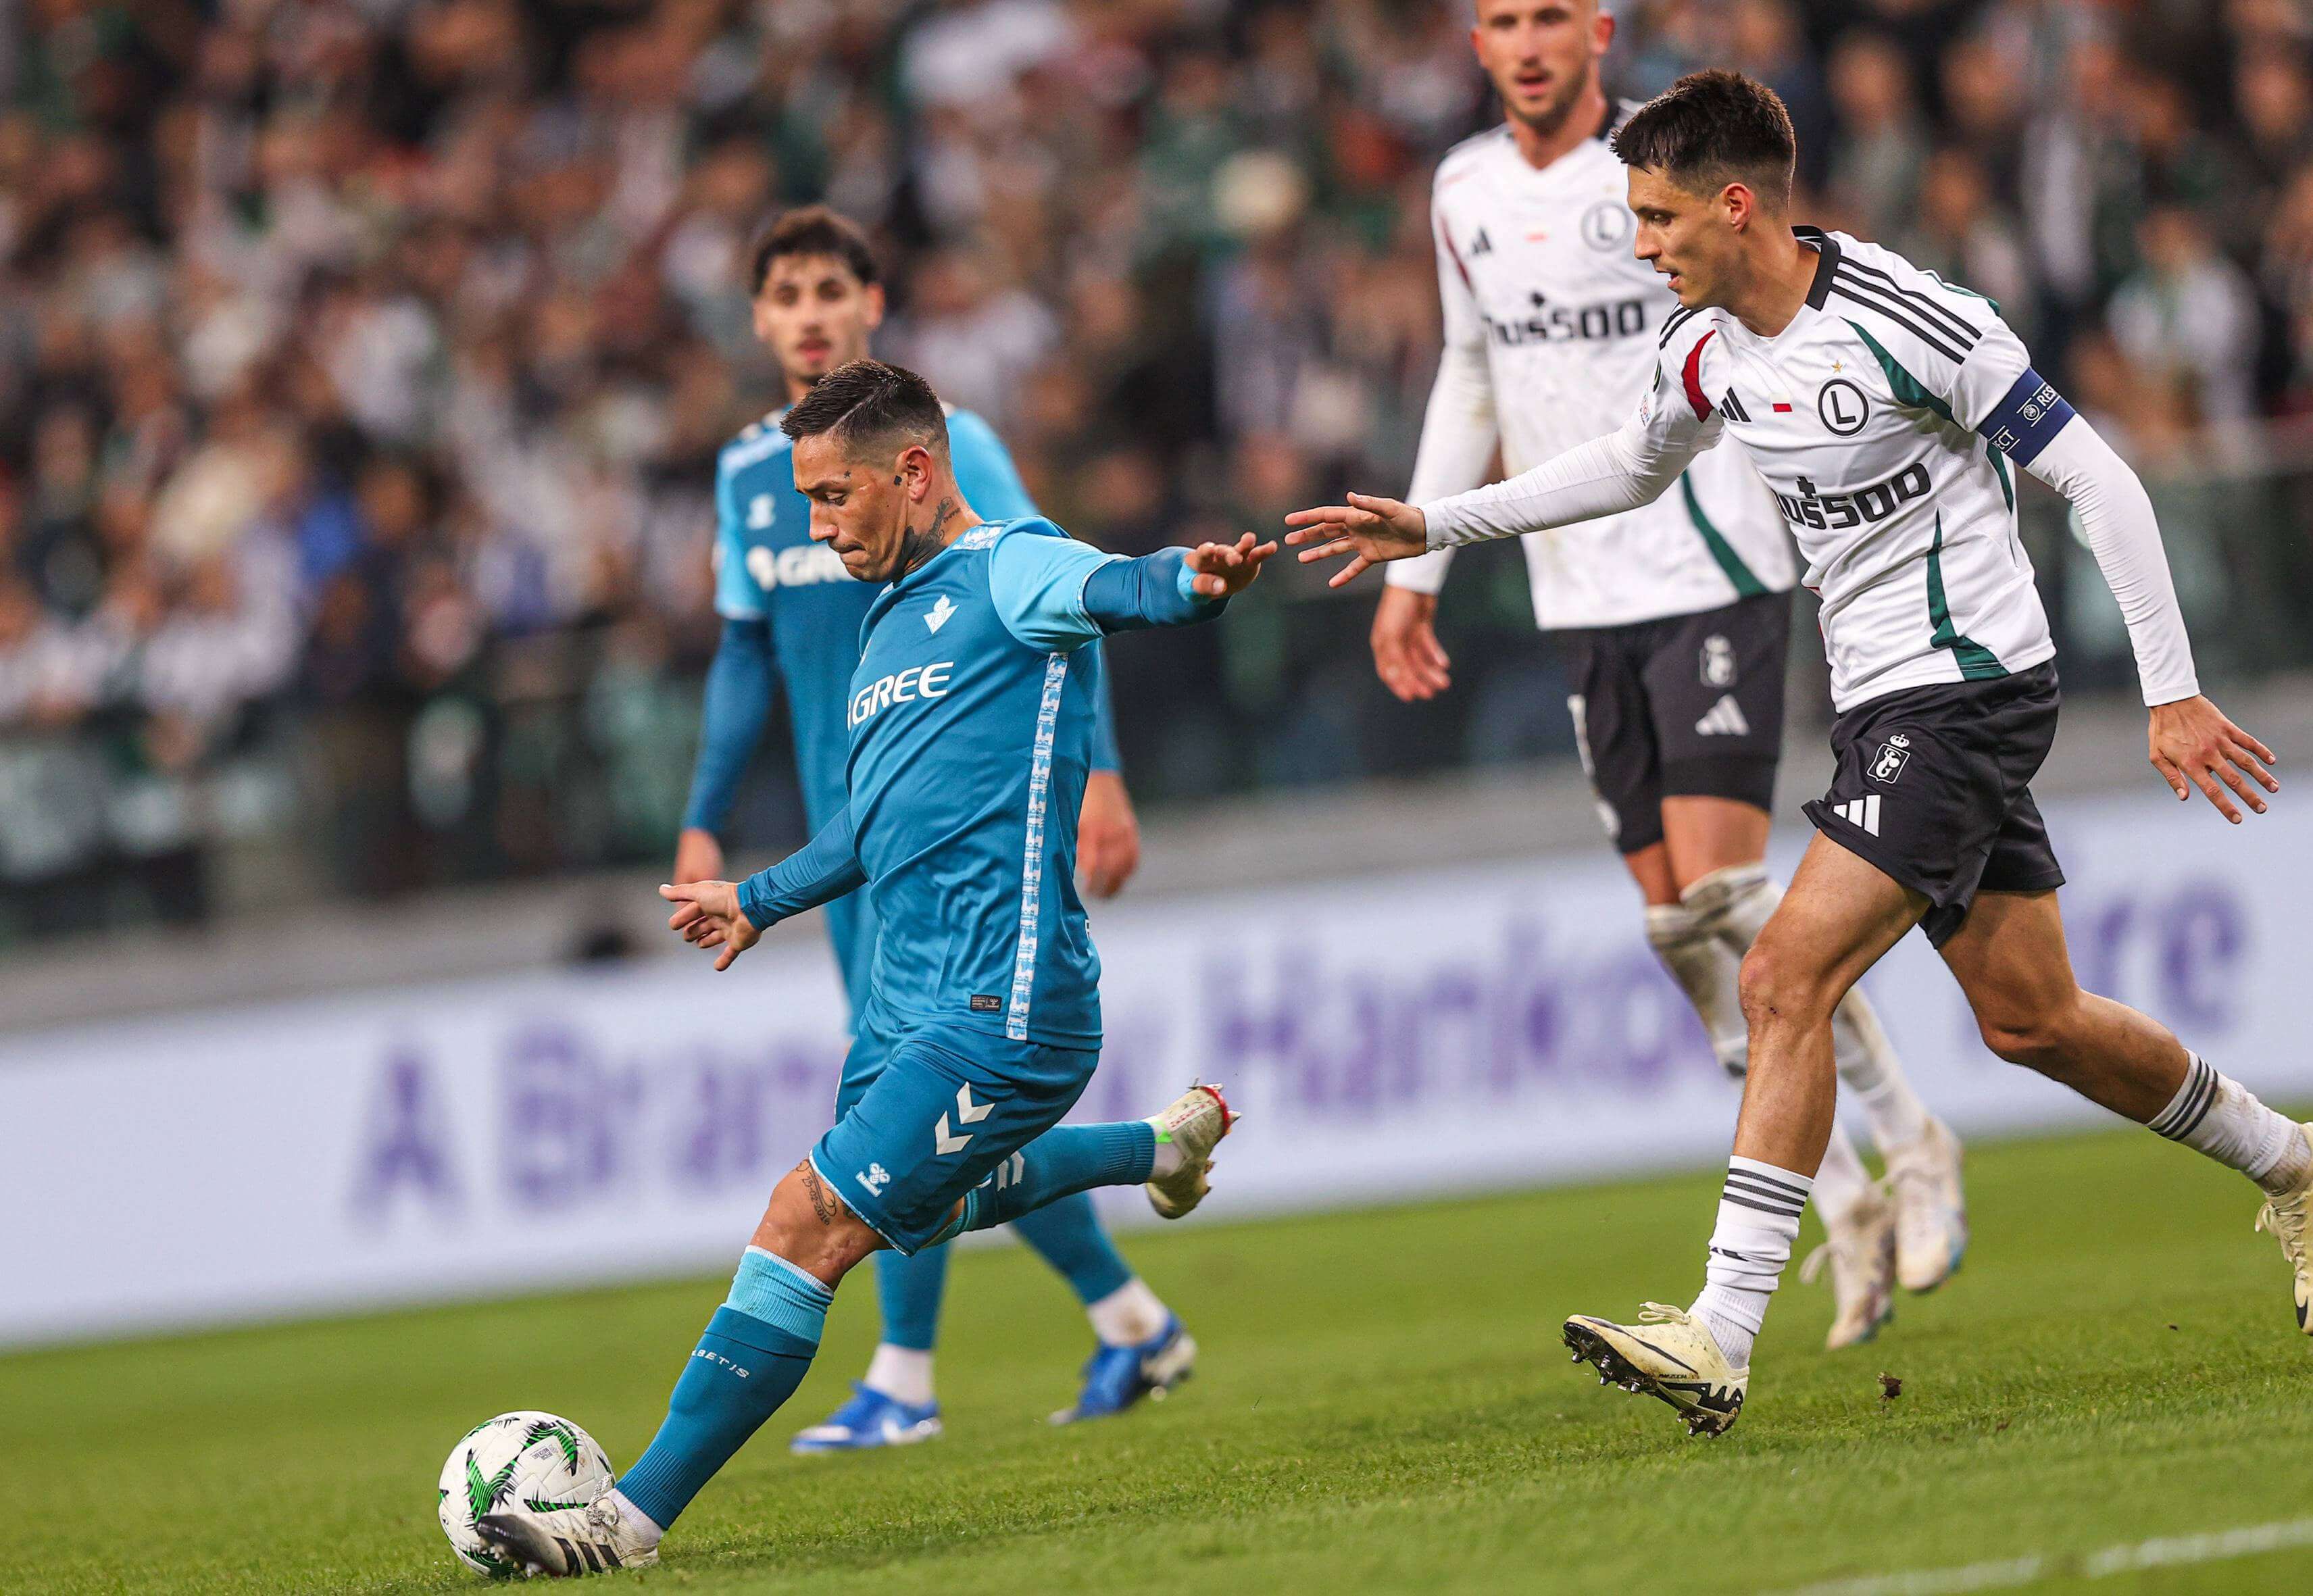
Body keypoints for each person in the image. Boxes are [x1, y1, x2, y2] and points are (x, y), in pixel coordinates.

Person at [1285, 71, 2313, 1438]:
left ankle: (1718, 1328)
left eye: (1658, 218)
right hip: (1879, 708)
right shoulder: (1703, 352)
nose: (1641, 245)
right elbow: (1622, 468)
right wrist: (1435, 524)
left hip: (1967, 689)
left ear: (1736, 208)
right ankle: (2293, 1158)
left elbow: (2098, 476)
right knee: (2029, 1015)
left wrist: (2170, 693)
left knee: (1776, 970)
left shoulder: (1910, 318)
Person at [474, 360, 1268, 1574]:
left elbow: (1127, 587)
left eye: (834, 495)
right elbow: (868, 827)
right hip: (902, 1005)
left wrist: (1193, 583)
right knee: (932, 1209)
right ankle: (1159, 1147)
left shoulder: (1014, 564)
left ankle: (622, 1524)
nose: (818, 524)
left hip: (1007, 1003)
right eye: (804, 501)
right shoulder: (885, 622)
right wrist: (755, 898)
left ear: (913, 469)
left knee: (809, 1218)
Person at [1374, 0, 1960, 1349]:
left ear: (1597, 29)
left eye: (1547, 17)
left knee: (1722, 893)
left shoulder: (1658, 174)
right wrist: (1415, 571)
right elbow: (1470, 365)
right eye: (1498, 20)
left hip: (1705, 561)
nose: (1524, 42)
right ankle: (1843, 1192)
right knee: (1680, 930)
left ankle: (1910, 1137)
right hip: (1573, 591)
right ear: (1473, 42)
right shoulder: (1459, 186)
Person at [682, 207, 1186, 1445]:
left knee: (906, 1111)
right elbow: (743, 657)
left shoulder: (944, 451)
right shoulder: (755, 478)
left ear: (870, 305)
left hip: (955, 824)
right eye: (783, 292)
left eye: (828, 289)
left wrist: (1101, 774)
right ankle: (1129, 1314)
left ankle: (905, 1373)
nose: (806, 312)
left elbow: (1054, 591)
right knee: (917, 1117)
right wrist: (705, 827)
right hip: (852, 830)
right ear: (757, 320)